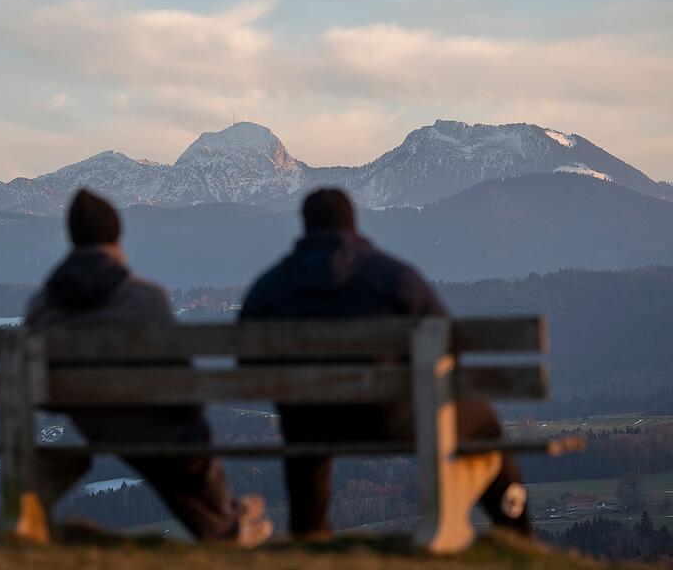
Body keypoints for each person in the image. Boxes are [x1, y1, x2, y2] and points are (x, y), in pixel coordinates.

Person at [239, 188, 530, 539]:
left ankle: (309, 531)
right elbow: (447, 344)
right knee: (482, 419)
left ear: (304, 227)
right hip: (392, 418)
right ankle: (516, 531)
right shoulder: (392, 277)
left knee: (306, 423)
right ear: (352, 224)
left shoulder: (271, 286)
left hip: (309, 421)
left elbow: (247, 358)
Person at [26, 188, 272, 547]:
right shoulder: (145, 296)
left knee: (164, 461)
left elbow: (45, 392)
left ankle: (229, 527)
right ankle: (230, 526)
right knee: (184, 445)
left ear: (73, 239)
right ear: (116, 237)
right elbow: (179, 375)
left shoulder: (43, 304)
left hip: (91, 421)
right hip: (153, 422)